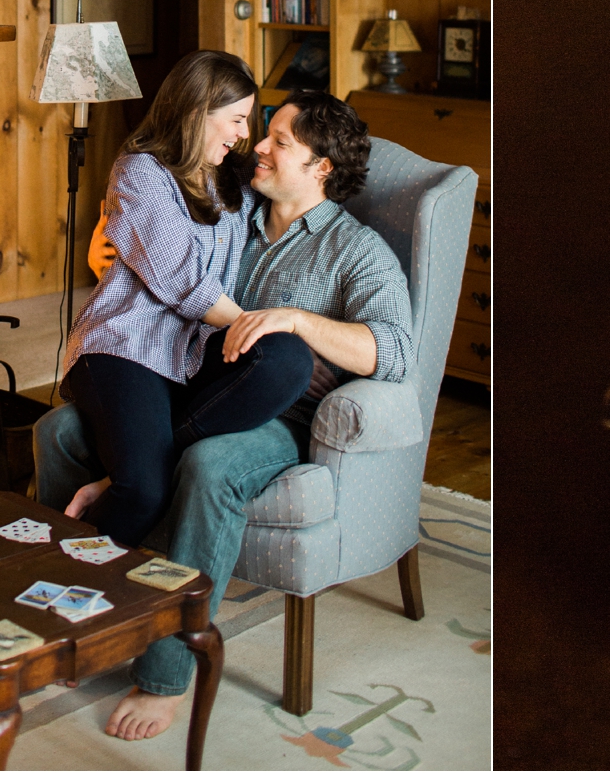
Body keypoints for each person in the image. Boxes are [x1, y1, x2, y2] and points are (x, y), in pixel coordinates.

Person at [70, 89, 415, 743]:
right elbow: (151, 229)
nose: (258, 145)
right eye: (263, 132)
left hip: (280, 418)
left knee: (209, 464)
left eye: (280, 141)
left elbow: (394, 352)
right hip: (190, 383)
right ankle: (77, 615)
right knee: (65, 429)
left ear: (321, 168)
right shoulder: (234, 207)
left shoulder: (354, 251)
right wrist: (105, 241)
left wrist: (295, 320)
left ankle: (168, 674)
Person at [58, 50, 316, 564]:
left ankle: (114, 481)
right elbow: (184, 282)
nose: (244, 136)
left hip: (189, 358)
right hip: (123, 350)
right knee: (143, 493)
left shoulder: (233, 179)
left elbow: (298, 172)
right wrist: (248, 323)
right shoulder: (140, 171)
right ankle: (61, 594)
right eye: (238, 119)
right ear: (199, 111)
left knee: (288, 358)